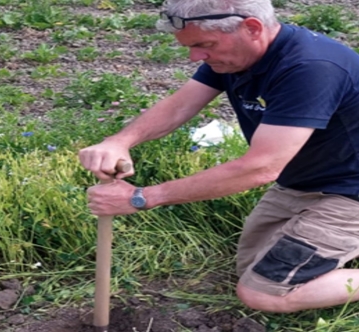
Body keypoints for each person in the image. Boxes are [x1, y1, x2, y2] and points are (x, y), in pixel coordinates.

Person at [78, 0, 359, 313]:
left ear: (252, 28)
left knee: (265, 293)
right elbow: (180, 105)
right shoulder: (233, 58)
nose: (195, 56)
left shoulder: (310, 68)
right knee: (252, 268)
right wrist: (119, 141)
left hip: (349, 192)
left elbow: (261, 167)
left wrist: (141, 198)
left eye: (204, 45)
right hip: (300, 183)